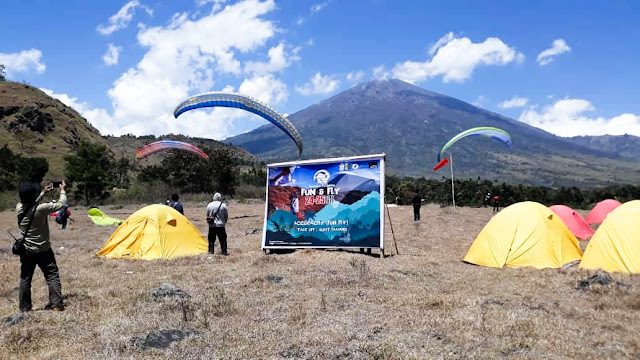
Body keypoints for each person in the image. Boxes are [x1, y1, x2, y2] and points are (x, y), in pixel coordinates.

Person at [16, 181, 67, 312]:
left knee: (25, 278)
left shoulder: (19, 207)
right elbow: (61, 204)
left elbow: (31, 203)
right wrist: (62, 190)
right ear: (34, 196)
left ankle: (25, 307)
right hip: (44, 250)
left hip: (27, 251)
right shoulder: (42, 208)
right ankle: (56, 305)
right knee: (52, 275)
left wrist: (43, 193)